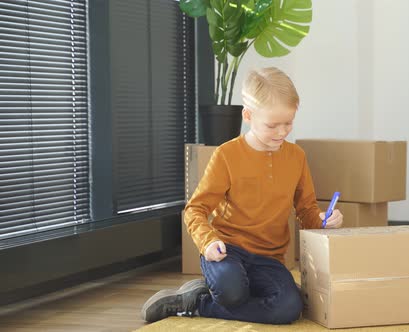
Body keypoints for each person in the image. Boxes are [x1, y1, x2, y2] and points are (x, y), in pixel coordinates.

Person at [141, 67, 343, 324]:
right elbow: (195, 209)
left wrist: (324, 220)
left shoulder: (296, 157)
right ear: (248, 116)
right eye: (272, 125)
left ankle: (200, 303)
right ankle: (218, 292)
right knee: (231, 291)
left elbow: (306, 211)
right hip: (227, 251)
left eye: (288, 123)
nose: (282, 132)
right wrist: (208, 242)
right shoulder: (227, 155)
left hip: (269, 259)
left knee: (289, 308)